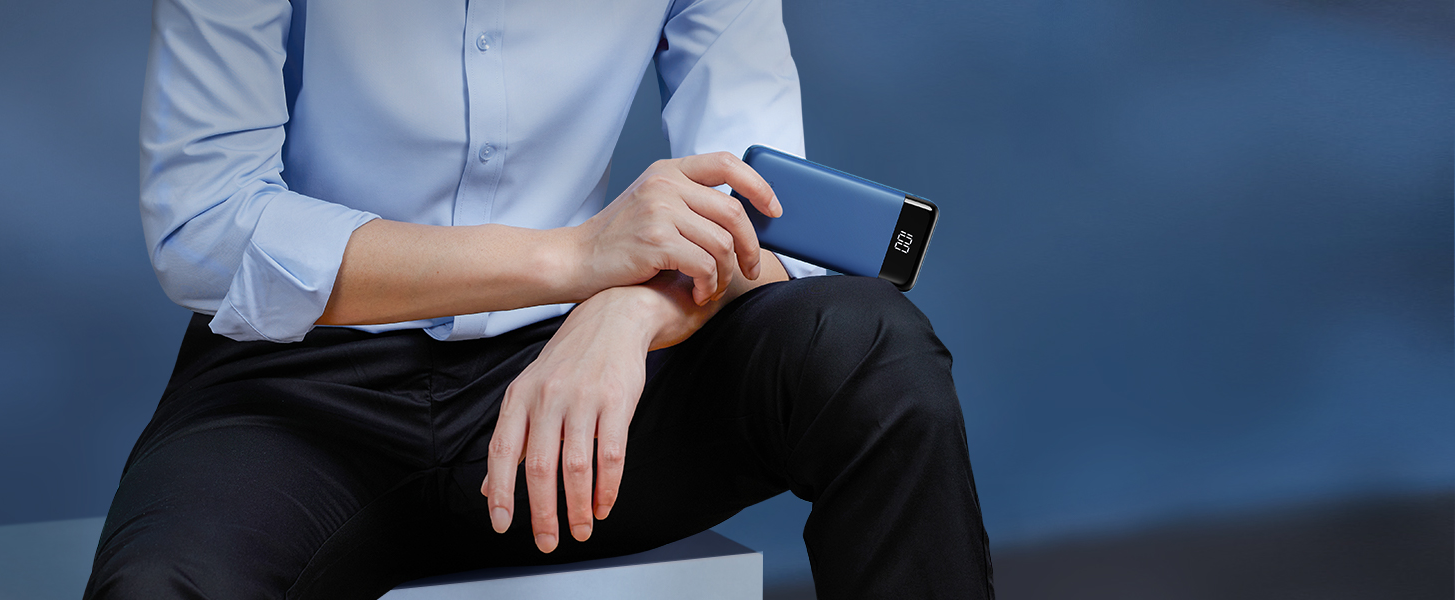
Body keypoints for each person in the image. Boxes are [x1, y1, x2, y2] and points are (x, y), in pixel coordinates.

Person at [84, 0, 994, 598]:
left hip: (586, 384)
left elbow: (754, 198)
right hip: (297, 387)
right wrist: (573, 259)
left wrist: (626, 309)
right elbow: (203, 229)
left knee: (872, 351)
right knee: (162, 587)